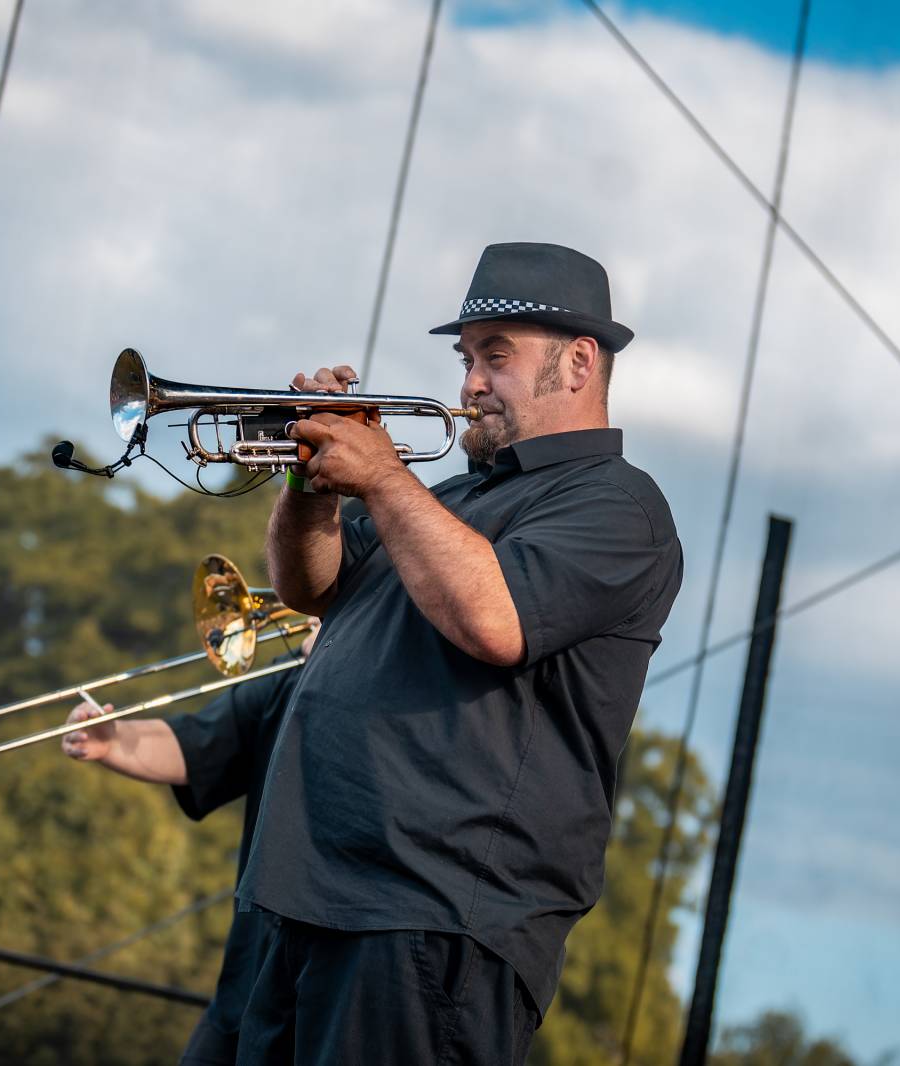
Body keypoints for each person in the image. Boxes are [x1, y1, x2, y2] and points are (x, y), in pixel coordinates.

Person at [235, 243, 684, 1064]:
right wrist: (309, 481)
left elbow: (497, 619)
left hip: (432, 919)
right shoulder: (449, 495)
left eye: (497, 358)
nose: (471, 383)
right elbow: (310, 584)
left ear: (579, 362)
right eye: (467, 359)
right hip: (304, 896)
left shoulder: (618, 504)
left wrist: (381, 478)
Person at [61, 625, 317, 1066]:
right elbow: (198, 742)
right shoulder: (292, 674)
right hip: (252, 973)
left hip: (341, 981)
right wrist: (112, 739)